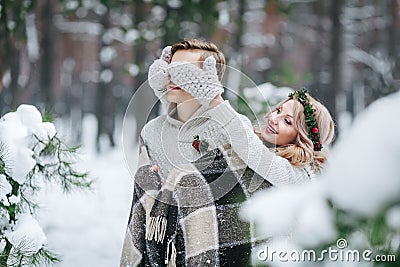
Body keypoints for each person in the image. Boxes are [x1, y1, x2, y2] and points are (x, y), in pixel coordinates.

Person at [121, 39, 274, 267]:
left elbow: (247, 195)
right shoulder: (152, 132)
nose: (173, 77)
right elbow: (143, 203)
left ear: (209, 78)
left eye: (185, 72)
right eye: (170, 69)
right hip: (162, 252)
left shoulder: (231, 128)